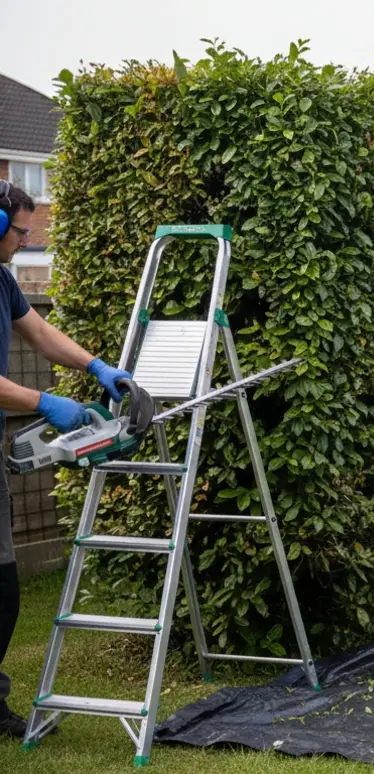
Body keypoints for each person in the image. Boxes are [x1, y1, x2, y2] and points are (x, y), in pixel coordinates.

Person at [0, 180, 132, 738]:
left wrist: (98, 367)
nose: (25, 243)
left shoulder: (3, 281)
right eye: (20, 231)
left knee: (2, 591)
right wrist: (44, 401)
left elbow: (40, 333)